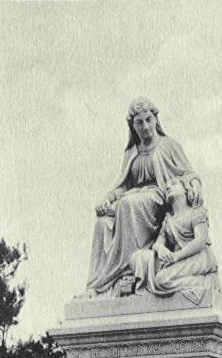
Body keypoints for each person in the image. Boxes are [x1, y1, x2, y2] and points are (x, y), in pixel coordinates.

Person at [86, 97, 202, 296]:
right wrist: (108, 199)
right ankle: (100, 283)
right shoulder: (131, 152)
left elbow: (188, 173)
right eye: (139, 122)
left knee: (128, 204)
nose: (145, 126)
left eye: (148, 119)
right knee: (103, 223)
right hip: (133, 198)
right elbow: (123, 185)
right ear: (132, 126)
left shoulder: (169, 145)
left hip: (160, 198)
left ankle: (127, 270)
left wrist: (194, 184)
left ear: (156, 119)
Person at [130, 176, 219, 304]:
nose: (168, 187)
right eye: (167, 187)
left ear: (185, 189)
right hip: (177, 259)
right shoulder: (168, 220)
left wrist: (176, 256)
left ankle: (205, 282)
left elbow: (200, 241)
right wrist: (161, 249)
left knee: (162, 280)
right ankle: (194, 283)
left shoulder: (196, 212)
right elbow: (158, 243)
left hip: (199, 257)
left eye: (174, 184)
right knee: (155, 273)